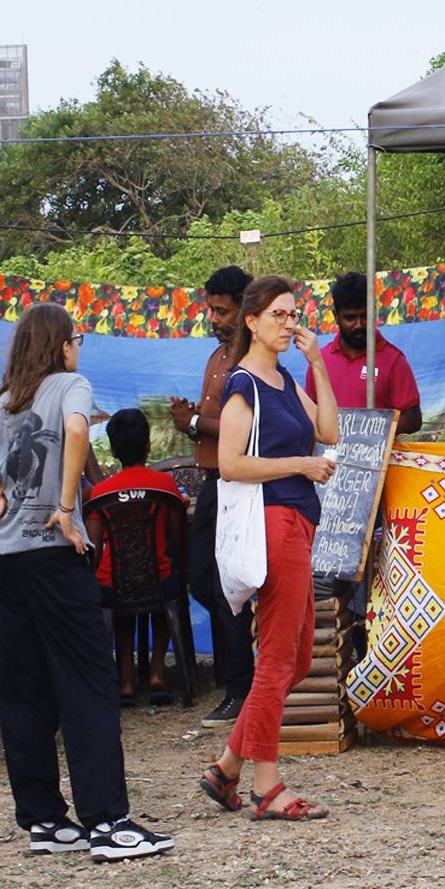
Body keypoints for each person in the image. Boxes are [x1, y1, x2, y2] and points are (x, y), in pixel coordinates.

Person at [0, 304, 173, 862]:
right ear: (62, 345)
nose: (79, 348)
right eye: (77, 339)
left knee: (26, 691)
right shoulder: (70, 385)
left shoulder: (0, 407)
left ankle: (45, 820)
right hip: (55, 560)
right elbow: (76, 429)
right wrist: (66, 508)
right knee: (88, 685)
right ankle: (107, 823)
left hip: (8, 564)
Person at [197, 275, 340, 821]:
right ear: (252, 322)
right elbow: (230, 464)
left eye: (294, 314)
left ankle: (227, 767)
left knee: (297, 657)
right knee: (279, 657)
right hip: (272, 520)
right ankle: (266, 786)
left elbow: (327, 430)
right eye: (278, 314)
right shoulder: (244, 385)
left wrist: (317, 363)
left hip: (298, 520)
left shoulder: (281, 379)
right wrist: (300, 465)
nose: (289, 323)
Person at [171, 265, 255, 728]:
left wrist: (194, 423)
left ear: (245, 309)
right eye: (211, 309)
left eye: (221, 311)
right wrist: (191, 422)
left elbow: (248, 427)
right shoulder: (218, 356)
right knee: (203, 580)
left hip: (237, 484)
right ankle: (238, 676)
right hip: (211, 483)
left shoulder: (252, 361)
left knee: (227, 587)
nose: (214, 318)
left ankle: (241, 688)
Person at [91, 408, 186, 708]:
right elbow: (177, 539)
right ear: (148, 445)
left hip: (113, 584)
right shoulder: (165, 485)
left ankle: (126, 679)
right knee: (165, 591)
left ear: (113, 450)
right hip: (158, 580)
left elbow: (94, 549)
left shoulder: (100, 492)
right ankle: (157, 672)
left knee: (119, 607)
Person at [308, 271, 422, 436]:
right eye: (350, 318)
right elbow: (310, 412)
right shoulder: (320, 361)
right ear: (336, 316)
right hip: (329, 452)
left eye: (365, 316)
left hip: (375, 451)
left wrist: (371, 434)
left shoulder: (394, 360)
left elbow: (413, 419)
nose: (359, 325)